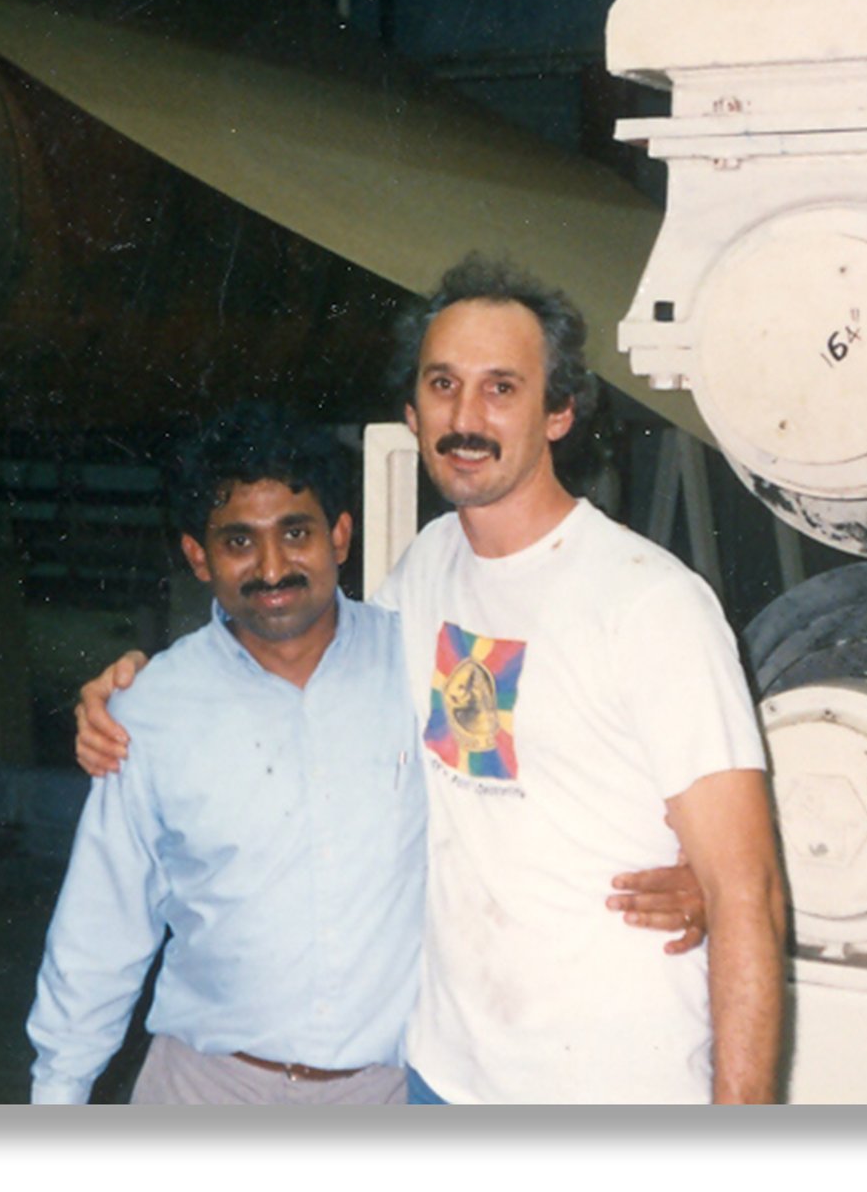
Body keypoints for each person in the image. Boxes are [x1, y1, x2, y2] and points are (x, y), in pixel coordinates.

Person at [80, 256, 786, 1104]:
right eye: (443, 385)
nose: (465, 416)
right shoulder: (423, 573)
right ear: (412, 414)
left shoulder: (650, 604)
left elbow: (751, 894)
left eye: (501, 388)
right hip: (441, 1079)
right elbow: (300, 659)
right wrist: (136, 688)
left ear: (559, 411)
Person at [25, 403, 421, 1103]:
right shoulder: (152, 708)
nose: (272, 566)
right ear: (198, 557)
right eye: (240, 540)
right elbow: (102, 922)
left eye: (296, 532)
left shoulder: (421, 670)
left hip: (385, 1094)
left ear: (340, 534)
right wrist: (58, 1094)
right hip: (205, 1089)